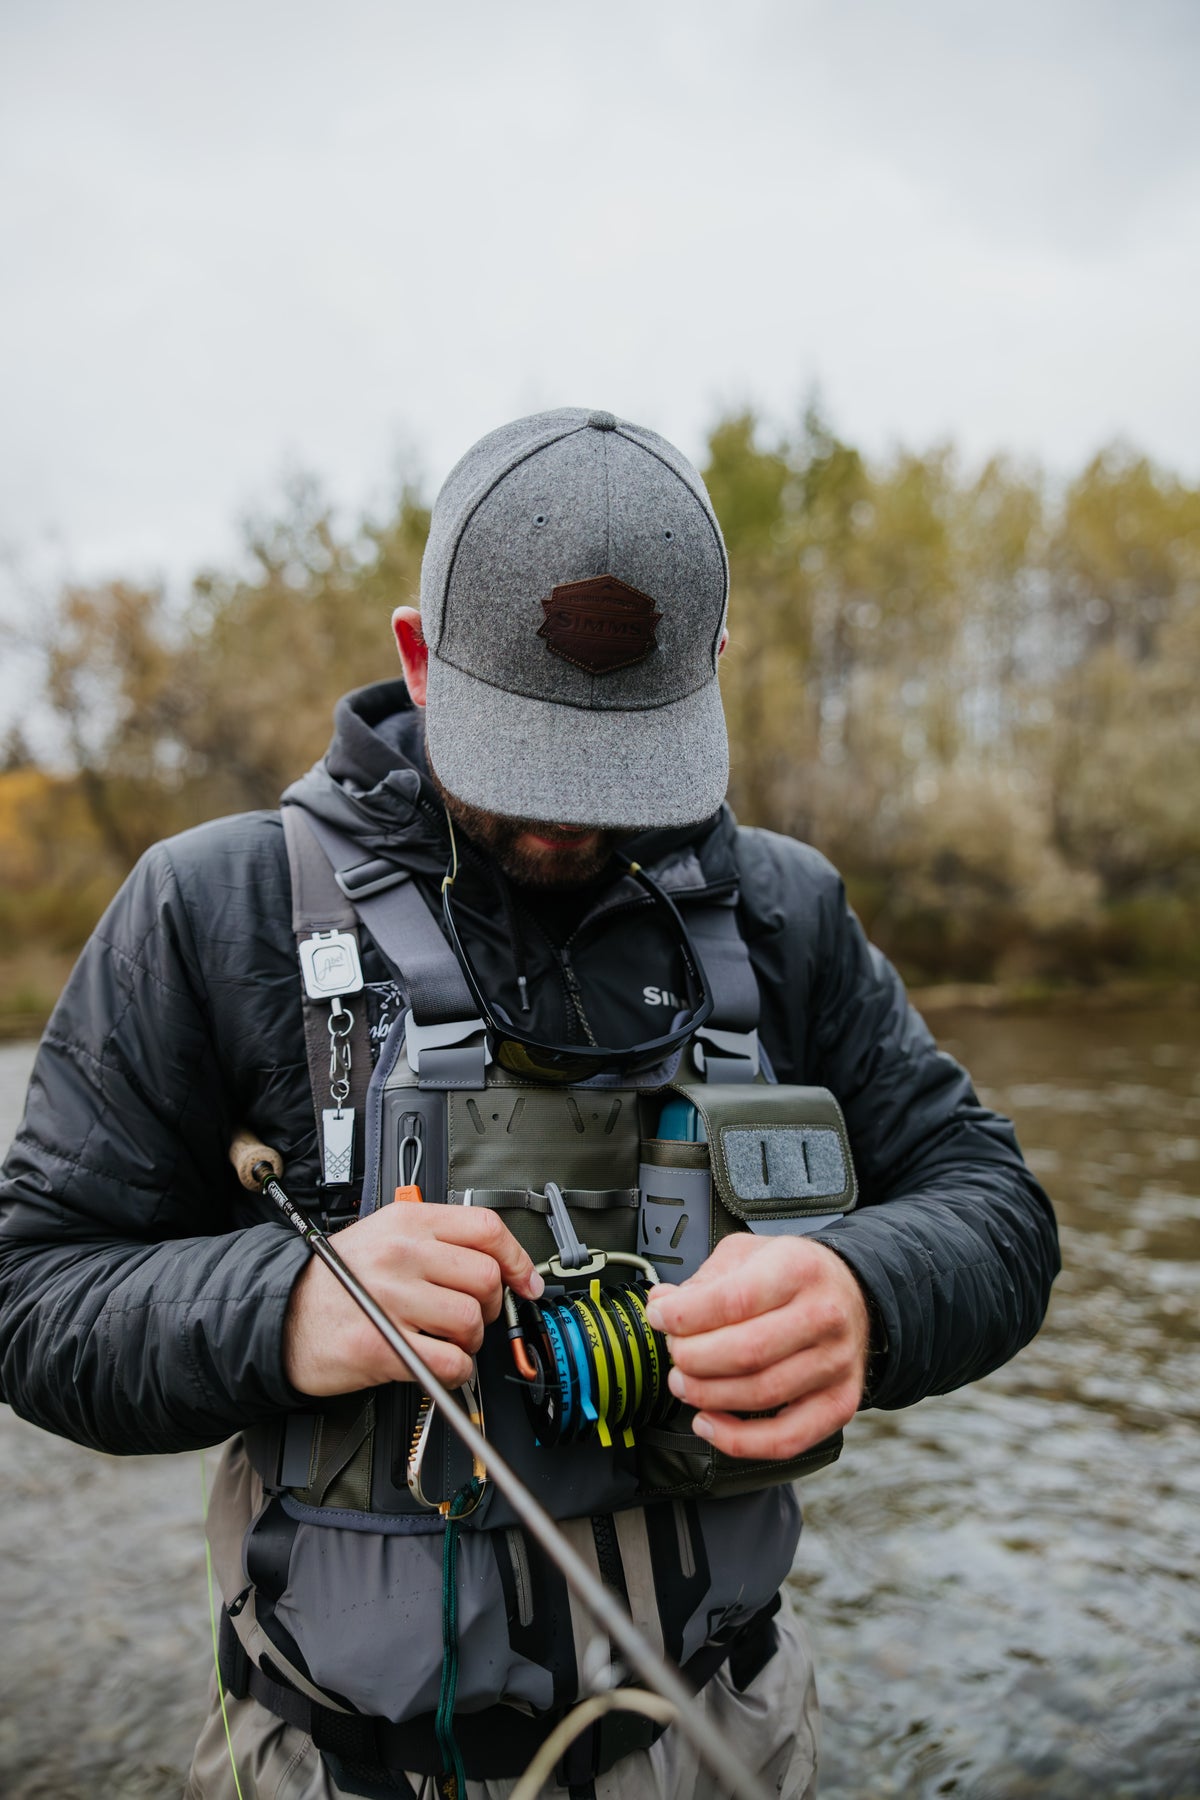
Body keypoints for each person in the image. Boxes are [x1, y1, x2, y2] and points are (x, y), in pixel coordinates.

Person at [0, 408, 1059, 1800]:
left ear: (710, 676)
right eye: (528, 761)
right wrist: (290, 1309)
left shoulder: (788, 910)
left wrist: (869, 1293)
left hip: (730, 1736)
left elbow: (998, 1211)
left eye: (618, 764)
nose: (568, 822)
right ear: (417, 656)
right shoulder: (215, 909)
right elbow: (34, 1297)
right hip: (335, 1763)